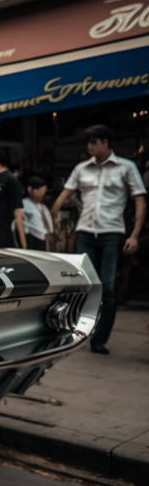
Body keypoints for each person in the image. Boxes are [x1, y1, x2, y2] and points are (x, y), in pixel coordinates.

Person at [51, 125, 146, 354]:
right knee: (84, 284)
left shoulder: (126, 167)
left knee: (108, 287)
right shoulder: (81, 169)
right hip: (85, 232)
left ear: (105, 142)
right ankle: (78, 331)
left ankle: (99, 339)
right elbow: (62, 197)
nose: (89, 147)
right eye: (88, 142)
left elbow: (140, 201)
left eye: (94, 142)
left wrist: (134, 235)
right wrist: (51, 224)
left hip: (111, 233)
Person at [22, 175, 54, 252]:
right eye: (39, 191)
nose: (42, 195)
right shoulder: (23, 204)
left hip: (42, 242)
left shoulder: (43, 207)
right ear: (30, 189)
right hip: (31, 240)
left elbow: (48, 230)